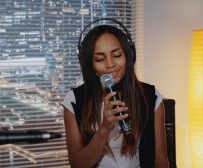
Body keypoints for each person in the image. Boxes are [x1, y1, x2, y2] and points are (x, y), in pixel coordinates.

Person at [61, 19, 169, 168]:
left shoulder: (151, 97)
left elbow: (161, 161)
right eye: (99, 58)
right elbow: (77, 165)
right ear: (89, 64)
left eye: (117, 55)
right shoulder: (74, 100)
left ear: (129, 55)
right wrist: (104, 129)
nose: (110, 64)